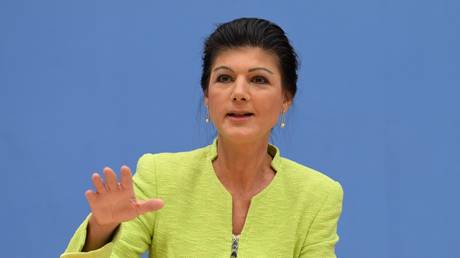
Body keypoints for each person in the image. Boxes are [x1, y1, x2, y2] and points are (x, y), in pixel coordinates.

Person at [61, 17, 343, 258]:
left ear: (285, 99)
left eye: (259, 79)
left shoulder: (317, 196)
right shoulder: (160, 176)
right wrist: (101, 230)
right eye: (224, 78)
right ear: (207, 97)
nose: (239, 93)